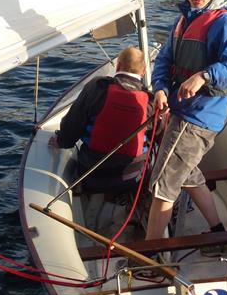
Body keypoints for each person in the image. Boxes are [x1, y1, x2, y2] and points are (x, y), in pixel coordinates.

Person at [144, 0, 227, 259]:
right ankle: (221, 238)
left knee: (163, 183)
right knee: (187, 175)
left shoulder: (223, 23)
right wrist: (161, 89)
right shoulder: (183, 21)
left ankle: (149, 258)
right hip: (182, 111)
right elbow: (164, 61)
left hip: (197, 118)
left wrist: (204, 75)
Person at [49, 46, 153, 195]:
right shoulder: (150, 101)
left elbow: (73, 123)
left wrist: (62, 141)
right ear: (143, 71)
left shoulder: (97, 87)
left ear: (118, 66)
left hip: (91, 175)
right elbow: (157, 135)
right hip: (130, 179)